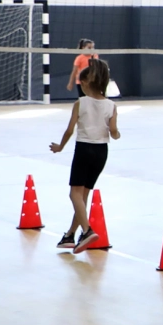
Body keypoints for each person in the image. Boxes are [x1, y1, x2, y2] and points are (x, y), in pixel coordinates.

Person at [48, 58, 118, 254]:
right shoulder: (111, 105)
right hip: (101, 152)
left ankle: (86, 231)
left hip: (84, 149)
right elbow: (114, 131)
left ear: (86, 83)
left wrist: (60, 147)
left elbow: (70, 130)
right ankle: (70, 235)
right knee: (83, 195)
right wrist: (115, 133)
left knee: (74, 194)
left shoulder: (81, 102)